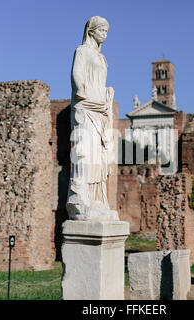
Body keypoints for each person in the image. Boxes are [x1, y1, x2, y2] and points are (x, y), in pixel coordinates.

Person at [66, 16, 118, 221]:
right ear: (91, 31)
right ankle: (81, 199)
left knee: (98, 156)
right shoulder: (82, 51)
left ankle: (97, 201)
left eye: (107, 31)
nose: (105, 35)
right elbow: (77, 75)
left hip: (99, 109)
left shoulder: (102, 58)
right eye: (102, 30)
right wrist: (85, 94)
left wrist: (105, 94)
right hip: (86, 108)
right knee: (84, 152)